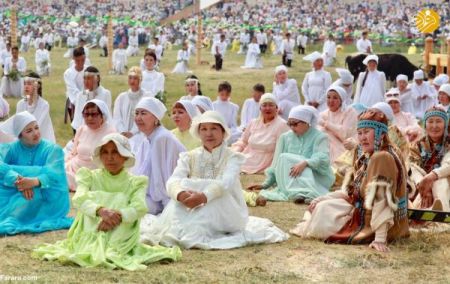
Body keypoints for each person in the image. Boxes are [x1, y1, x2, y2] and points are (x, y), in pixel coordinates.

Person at [139, 111, 288, 249]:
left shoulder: (233, 157)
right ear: (198, 132)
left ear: (223, 132)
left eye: (214, 129)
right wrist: (181, 195)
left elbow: (226, 183)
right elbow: (173, 180)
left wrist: (203, 196)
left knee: (207, 190)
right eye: (203, 129)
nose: (208, 134)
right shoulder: (189, 156)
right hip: (191, 205)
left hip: (226, 210)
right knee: (184, 188)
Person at [33, 133, 181, 270]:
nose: (110, 158)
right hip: (92, 229)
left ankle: (112, 245)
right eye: (105, 152)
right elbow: (78, 199)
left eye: (115, 152)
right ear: (100, 156)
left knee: (120, 200)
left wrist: (117, 216)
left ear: (125, 156)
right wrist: (101, 211)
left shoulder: (136, 182)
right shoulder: (89, 176)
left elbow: (139, 207)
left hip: (121, 233)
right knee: (95, 200)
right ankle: (93, 242)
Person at [290, 109, 409, 252]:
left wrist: (380, 239)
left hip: (380, 224)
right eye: (360, 133)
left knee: (322, 213)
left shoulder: (382, 157)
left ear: (381, 134)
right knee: (320, 207)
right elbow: (353, 190)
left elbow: (382, 199)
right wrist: (323, 198)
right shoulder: (368, 153)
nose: (362, 138)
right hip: (362, 209)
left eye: (367, 132)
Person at [0, 112, 72, 235]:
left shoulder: (53, 150)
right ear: (20, 135)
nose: (36, 133)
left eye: (36, 128)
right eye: (29, 131)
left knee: (33, 194)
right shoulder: (11, 149)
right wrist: (18, 180)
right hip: (16, 188)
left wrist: (34, 182)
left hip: (46, 193)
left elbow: (54, 174)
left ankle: (13, 217)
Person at [130, 97, 185, 215]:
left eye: (143, 113)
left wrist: (166, 213)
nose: (138, 118)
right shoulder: (147, 139)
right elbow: (138, 172)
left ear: (156, 118)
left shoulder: (161, 138)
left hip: (163, 200)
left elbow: (164, 180)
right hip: (151, 197)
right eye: (137, 113)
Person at [65, 100, 116, 191]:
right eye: (86, 114)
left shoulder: (110, 133)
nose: (89, 118)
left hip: (95, 172)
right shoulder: (81, 129)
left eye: (94, 114)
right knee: (54, 172)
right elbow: (74, 152)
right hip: (75, 167)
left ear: (102, 116)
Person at [232, 93, 289, 174]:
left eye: (271, 105)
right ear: (260, 108)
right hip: (249, 156)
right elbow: (243, 141)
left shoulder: (282, 125)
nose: (267, 108)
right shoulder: (253, 122)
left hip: (267, 161)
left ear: (276, 108)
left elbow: (283, 149)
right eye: (264, 105)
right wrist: (235, 152)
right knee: (228, 162)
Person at [409, 107, 450, 212]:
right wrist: (423, 184)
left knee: (440, 183)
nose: (434, 126)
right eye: (430, 121)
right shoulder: (417, 146)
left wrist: (432, 176)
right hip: (423, 189)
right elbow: (413, 168)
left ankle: (443, 219)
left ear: (445, 124)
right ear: (425, 125)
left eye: (439, 121)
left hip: (447, 185)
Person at [318, 86, 358, 163]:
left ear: (341, 100)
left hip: (346, 146)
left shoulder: (349, 112)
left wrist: (326, 124)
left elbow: (345, 134)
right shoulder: (323, 114)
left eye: (335, 98)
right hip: (326, 147)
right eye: (328, 97)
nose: (331, 101)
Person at [16, 72, 55, 142]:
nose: (26, 86)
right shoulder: (20, 104)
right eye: (25, 84)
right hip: (23, 138)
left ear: (37, 86)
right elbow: (17, 124)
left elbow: (38, 126)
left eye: (29, 84)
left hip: (40, 140)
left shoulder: (44, 105)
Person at [71, 66, 112, 132]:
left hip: (101, 131)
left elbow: (107, 117)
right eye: (84, 78)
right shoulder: (81, 95)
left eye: (89, 78)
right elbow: (78, 118)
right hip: (83, 132)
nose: (86, 81)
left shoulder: (105, 93)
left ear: (97, 79)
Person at [114, 67, 150, 139]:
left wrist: (132, 132)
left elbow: (146, 117)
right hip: (122, 134)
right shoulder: (121, 97)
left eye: (135, 78)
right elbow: (117, 117)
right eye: (130, 78)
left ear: (140, 79)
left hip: (141, 134)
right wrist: (122, 131)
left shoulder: (146, 96)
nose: (132, 81)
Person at [63, 47, 88, 125]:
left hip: (88, 98)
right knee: (76, 125)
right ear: (73, 59)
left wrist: (86, 98)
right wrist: (81, 100)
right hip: (73, 99)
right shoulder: (68, 73)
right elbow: (72, 89)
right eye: (77, 60)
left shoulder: (88, 70)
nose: (80, 63)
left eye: (82, 60)